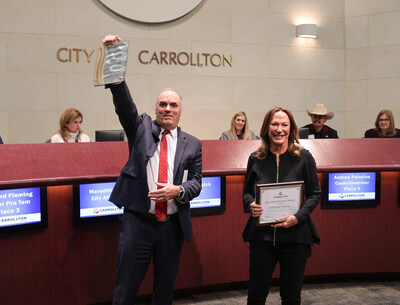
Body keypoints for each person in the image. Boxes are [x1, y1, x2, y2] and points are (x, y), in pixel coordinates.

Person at [102, 35, 202, 305]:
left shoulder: (192, 144)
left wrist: (178, 190)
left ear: (181, 111)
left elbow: (196, 183)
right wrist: (114, 56)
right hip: (138, 224)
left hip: (171, 228)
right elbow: (122, 101)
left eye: (173, 105)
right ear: (156, 108)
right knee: (124, 292)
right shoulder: (141, 129)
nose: (167, 109)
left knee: (164, 293)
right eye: (162, 104)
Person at [242, 107, 321, 305]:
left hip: (295, 238)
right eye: (274, 124)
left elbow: (314, 194)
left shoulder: (304, 158)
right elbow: (246, 192)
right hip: (262, 238)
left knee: (291, 297)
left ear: (291, 129)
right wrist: (250, 204)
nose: (279, 129)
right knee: (256, 296)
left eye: (284, 125)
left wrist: (298, 217)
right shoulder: (255, 158)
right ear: (266, 128)